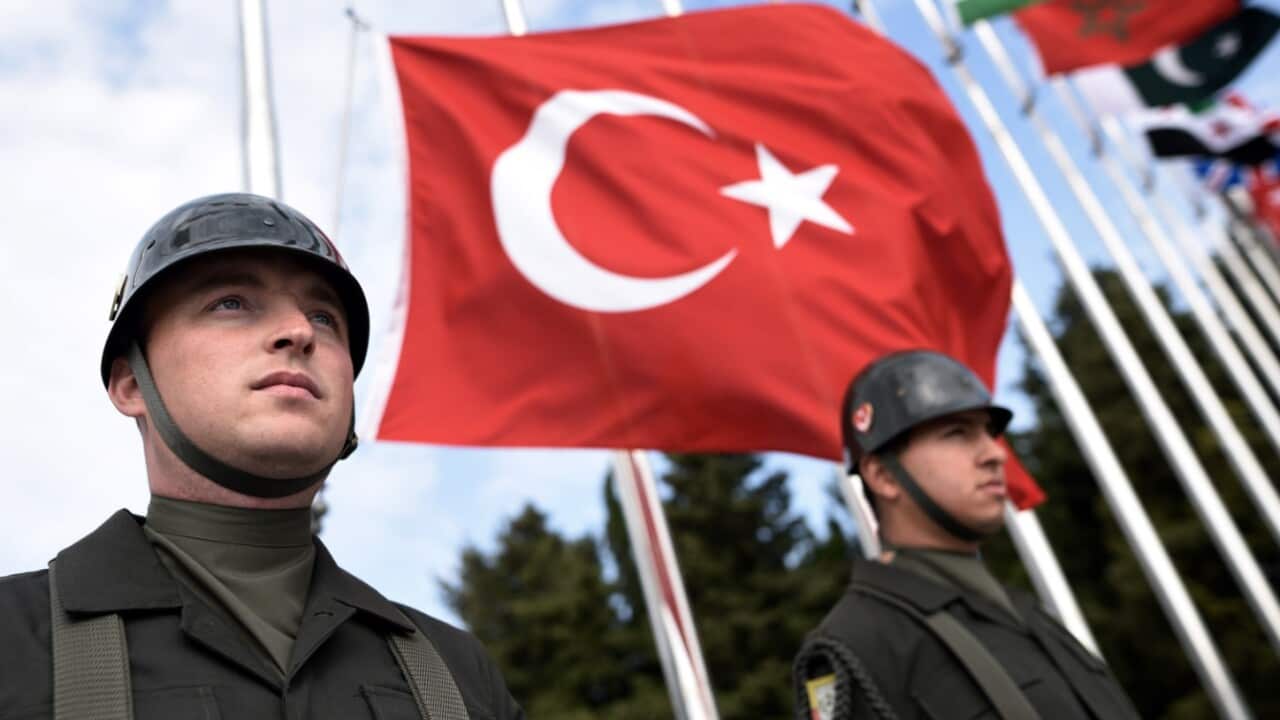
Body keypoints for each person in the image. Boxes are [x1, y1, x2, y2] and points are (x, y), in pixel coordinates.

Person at [0, 193, 523, 720]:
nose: (299, 331)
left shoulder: (460, 674)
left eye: (324, 317)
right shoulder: (13, 639)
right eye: (231, 302)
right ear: (132, 382)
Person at [793, 350, 1137, 720]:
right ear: (883, 476)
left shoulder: (1024, 611)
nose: (995, 453)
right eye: (957, 433)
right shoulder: (856, 644)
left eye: (989, 432)